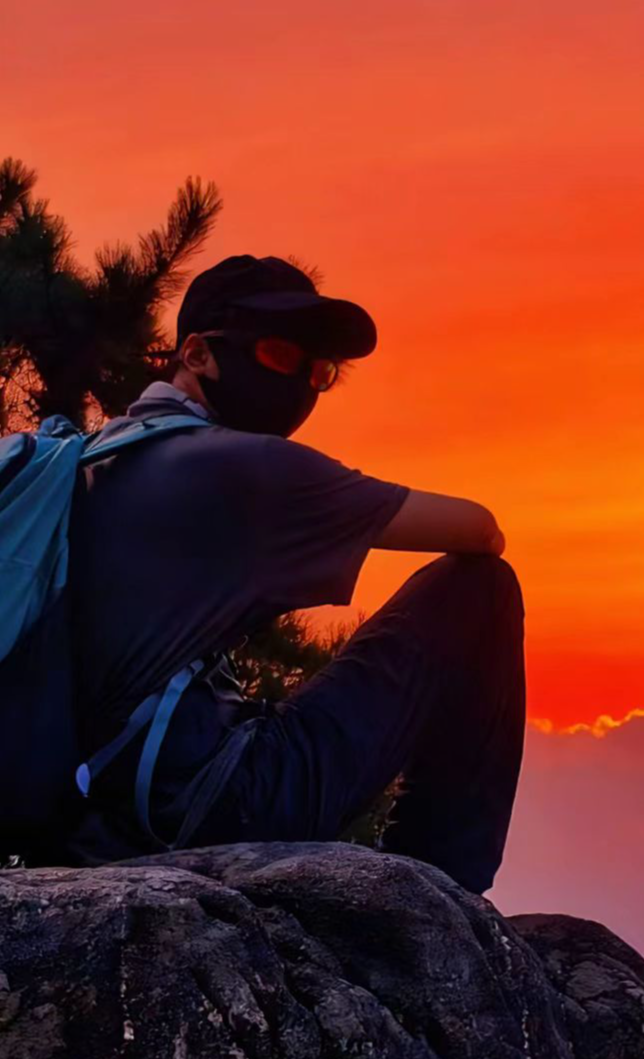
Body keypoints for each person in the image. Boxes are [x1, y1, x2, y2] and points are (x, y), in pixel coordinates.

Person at [57, 254, 527, 896]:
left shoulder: (97, 457)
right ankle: (443, 886)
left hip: (90, 821)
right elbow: (478, 529)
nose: (304, 383)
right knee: (479, 592)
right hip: (218, 808)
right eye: (280, 355)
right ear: (196, 354)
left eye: (321, 371)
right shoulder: (238, 465)